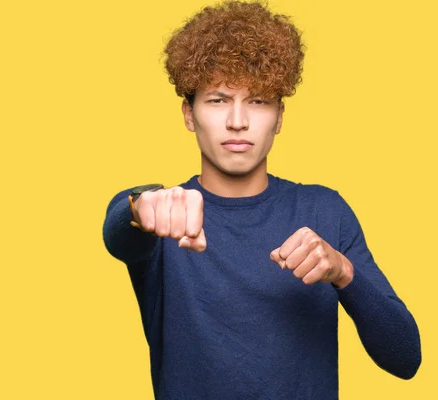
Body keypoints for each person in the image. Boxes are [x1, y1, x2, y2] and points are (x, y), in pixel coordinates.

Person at [102, 1, 421, 398]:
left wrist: (343, 272)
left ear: (280, 117)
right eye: (218, 100)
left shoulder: (326, 210)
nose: (238, 120)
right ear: (189, 113)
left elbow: (405, 358)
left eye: (258, 101)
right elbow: (118, 232)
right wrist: (140, 206)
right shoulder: (168, 215)